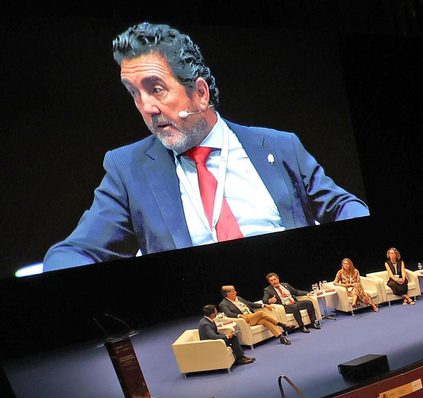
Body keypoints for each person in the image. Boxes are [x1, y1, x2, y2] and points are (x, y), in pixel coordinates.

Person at [44, 22, 368, 270]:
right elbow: (76, 252)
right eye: (134, 94)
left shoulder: (280, 146)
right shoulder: (129, 170)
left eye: (156, 89)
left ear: (200, 93)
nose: (146, 107)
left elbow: (344, 207)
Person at [218, 285, 291, 344]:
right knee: (260, 313)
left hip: (252, 317)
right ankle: (282, 325)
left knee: (265, 321)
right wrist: (240, 316)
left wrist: (263, 305)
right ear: (228, 294)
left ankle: (282, 337)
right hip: (245, 320)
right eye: (234, 291)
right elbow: (228, 314)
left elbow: (250, 304)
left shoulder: (238, 298)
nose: (236, 292)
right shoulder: (223, 304)